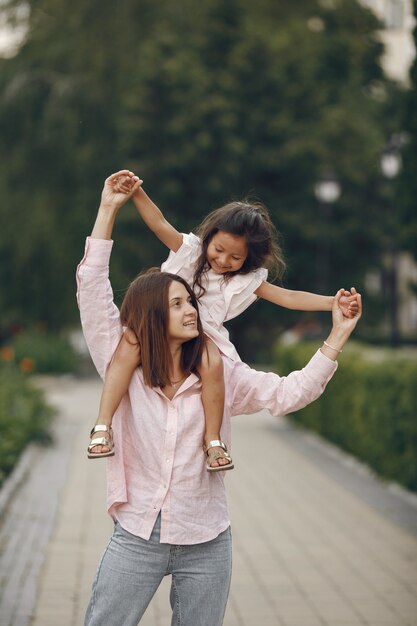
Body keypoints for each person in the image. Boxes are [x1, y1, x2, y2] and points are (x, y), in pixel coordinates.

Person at [77, 171, 362, 626]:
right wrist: (111, 206)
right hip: (137, 533)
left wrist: (337, 329)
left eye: (190, 302)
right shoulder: (122, 356)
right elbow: (93, 284)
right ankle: (100, 426)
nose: (190, 308)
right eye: (176, 304)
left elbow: (289, 392)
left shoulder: (220, 369)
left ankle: (215, 444)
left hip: (207, 539)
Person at [87, 171, 359, 472]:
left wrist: (332, 303)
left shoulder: (245, 281)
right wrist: (136, 193)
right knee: (128, 345)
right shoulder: (189, 253)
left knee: (211, 361)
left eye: (235, 257)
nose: (223, 261)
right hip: (155, 326)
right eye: (218, 250)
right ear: (210, 236)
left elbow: (289, 297)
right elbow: (159, 223)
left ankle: (213, 441)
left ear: (249, 259)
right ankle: (102, 423)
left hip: (203, 337)